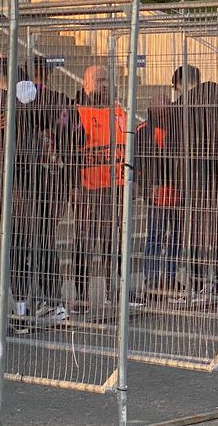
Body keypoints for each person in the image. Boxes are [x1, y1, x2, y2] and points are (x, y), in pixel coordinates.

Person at [161, 65, 218, 304]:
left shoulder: (183, 109)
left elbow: (174, 147)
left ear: (180, 84)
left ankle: (198, 287)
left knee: (195, 235)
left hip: (194, 180)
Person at [72, 65, 139, 313]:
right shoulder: (76, 112)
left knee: (116, 241)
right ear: (85, 84)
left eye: (106, 81)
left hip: (116, 188)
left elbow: (130, 147)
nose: (103, 85)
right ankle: (81, 296)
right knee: (85, 242)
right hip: (89, 189)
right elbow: (69, 153)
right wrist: (74, 186)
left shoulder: (120, 111)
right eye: (98, 80)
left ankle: (119, 291)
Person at [17, 56, 77, 321]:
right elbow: (74, 138)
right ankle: (48, 299)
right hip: (53, 178)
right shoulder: (59, 100)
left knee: (34, 240)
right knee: (43, 240)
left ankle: (46, 300)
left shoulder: (23, 100)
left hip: (31, 179)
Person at [140, 94, 182, 298]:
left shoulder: (178, 131)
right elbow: (141, 163)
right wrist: (148, 186)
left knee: (176, 237)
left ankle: (171, 278)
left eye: (168, 110)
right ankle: (152, 280)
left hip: (177, 191)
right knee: (155, 236)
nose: (166, 114)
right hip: (157, 194)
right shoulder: (145, 132)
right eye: (163, 111)